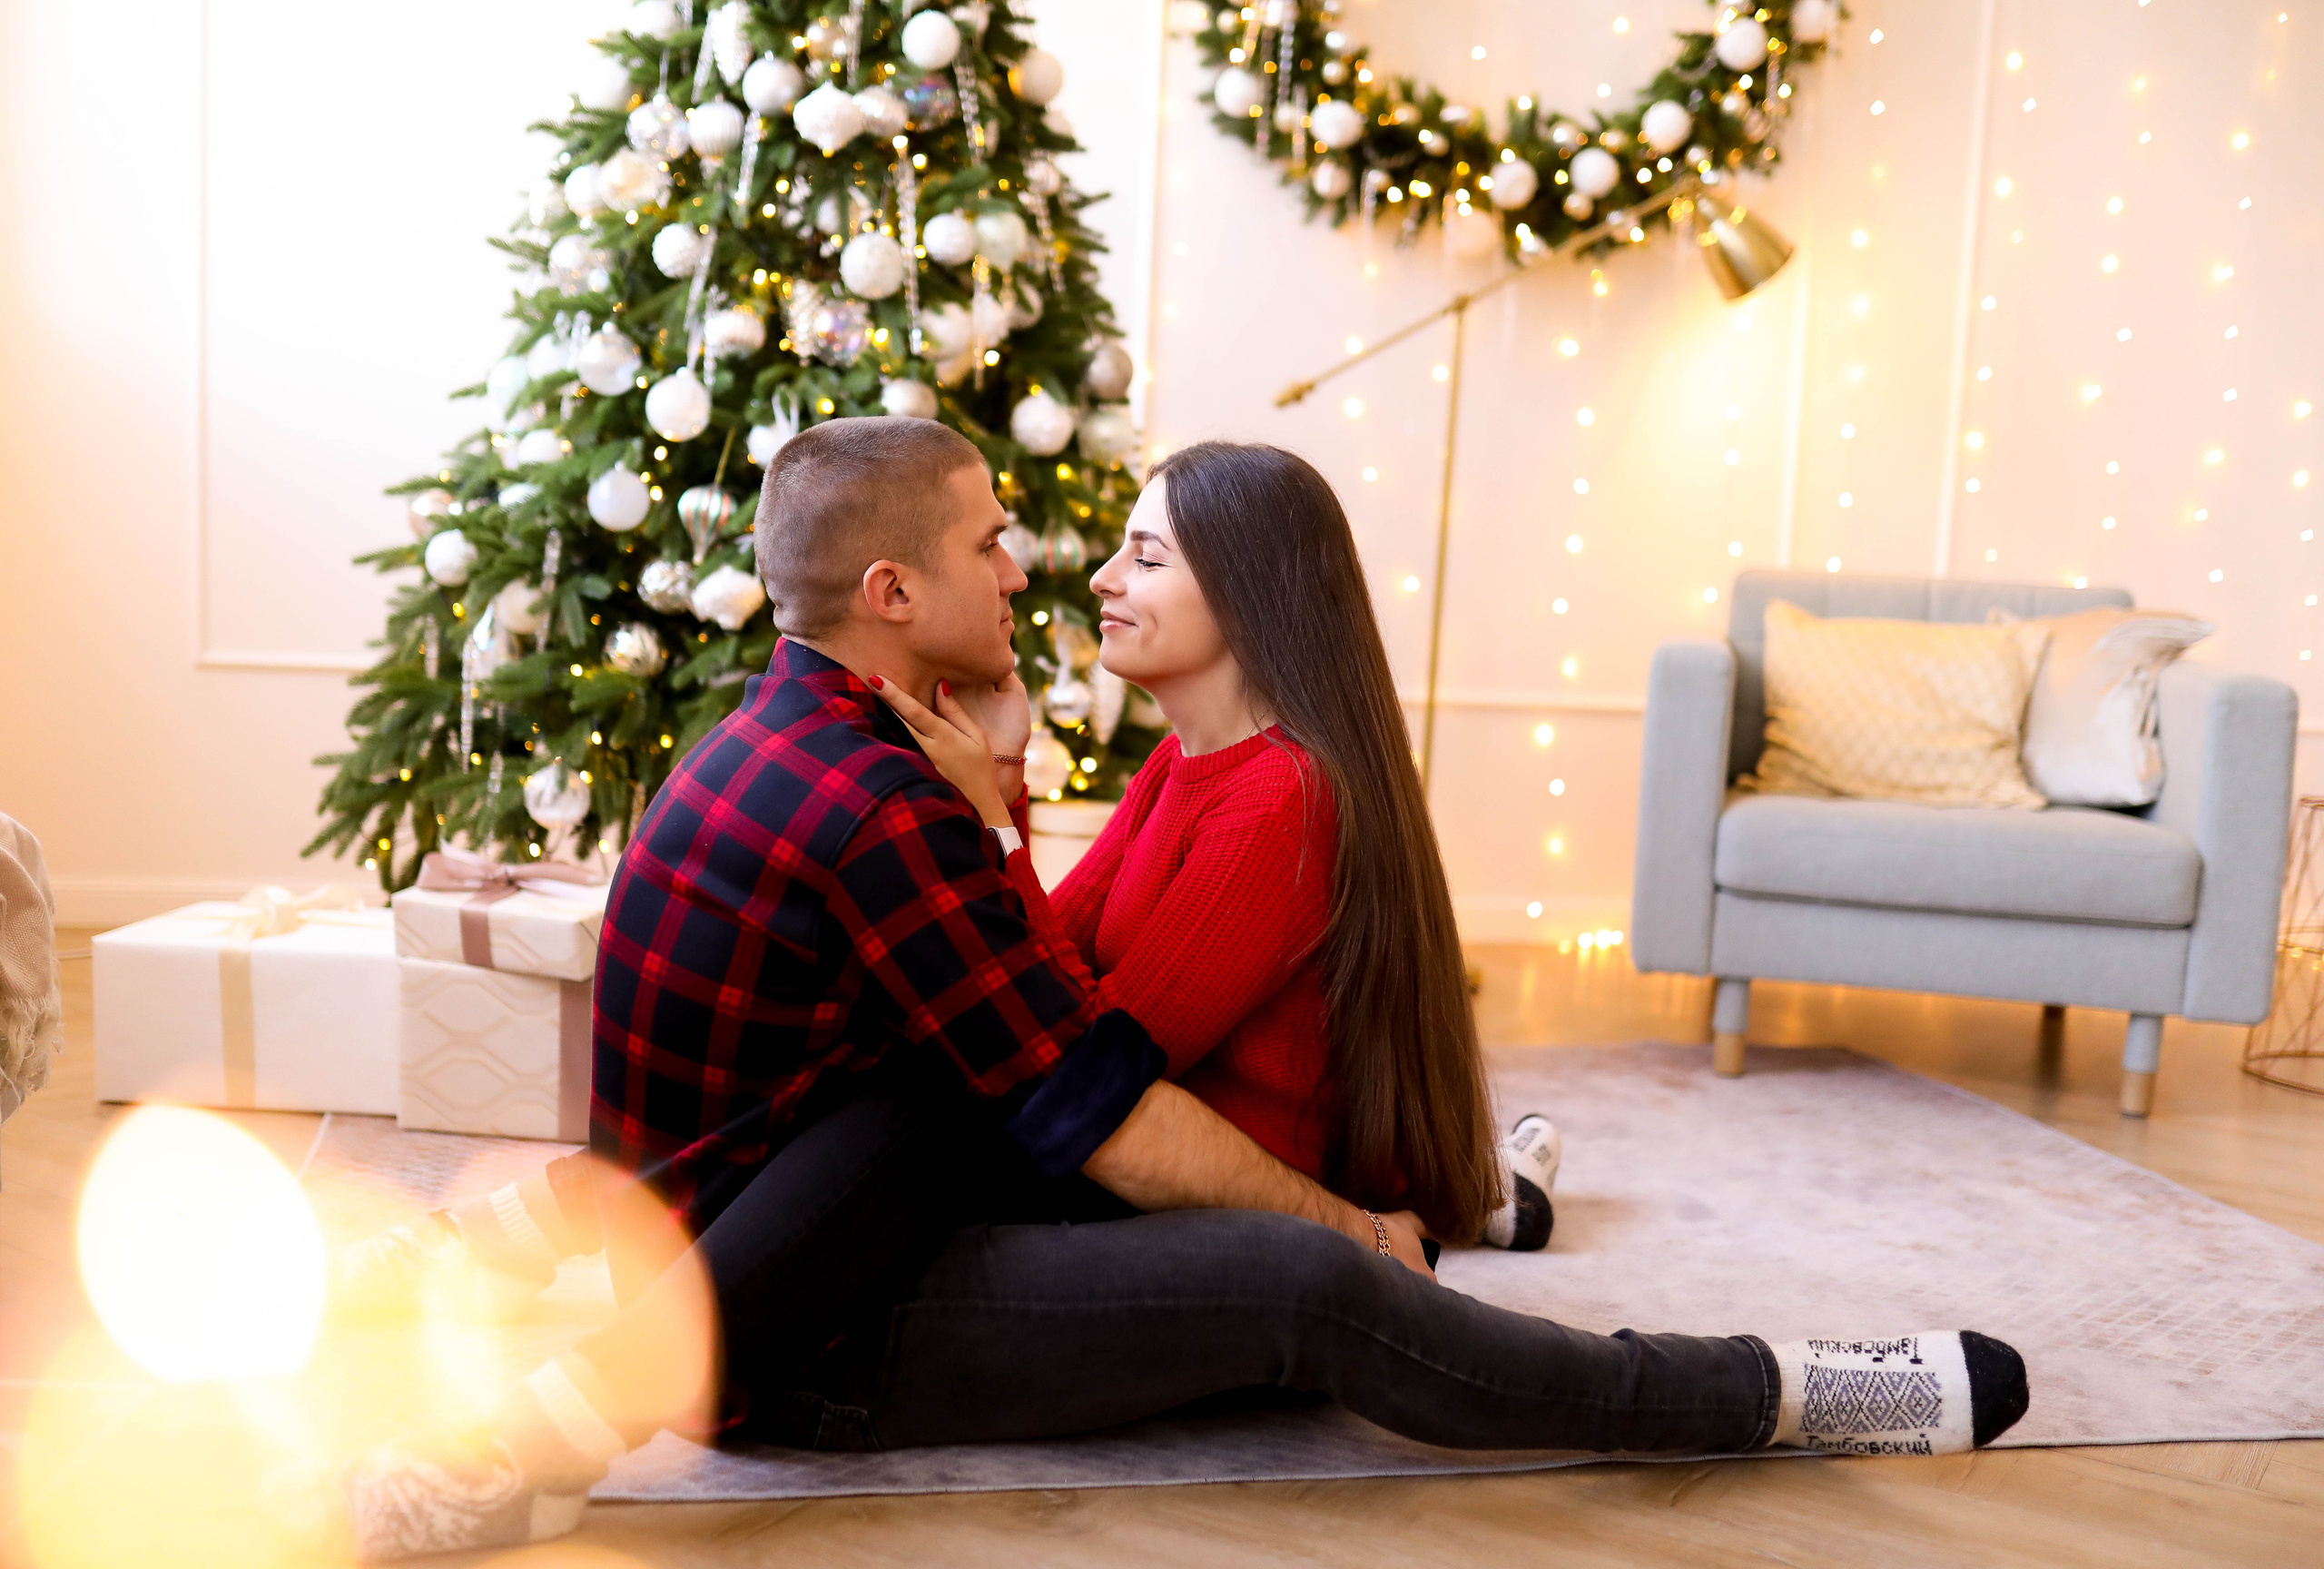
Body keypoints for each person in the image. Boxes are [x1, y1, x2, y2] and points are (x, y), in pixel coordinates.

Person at [304, 427, 2026, 1562]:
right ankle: (1777, 1385)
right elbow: (1093, 1080)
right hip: (804, 1341)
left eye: (1139, 555)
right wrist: (1351, 1239)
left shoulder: (794, 742)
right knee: (1290, 1273)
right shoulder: (899, 802)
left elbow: (1063, 1027)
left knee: (969, 1087)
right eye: (997, 544)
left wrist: (992, 816)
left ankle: (1527, 1232)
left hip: (803, 1262)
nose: (1042, 574)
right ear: (895, 593)